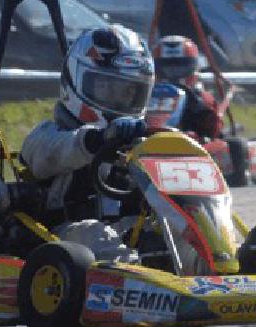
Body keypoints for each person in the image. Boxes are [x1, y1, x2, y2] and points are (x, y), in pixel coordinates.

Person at [19, 26, 155, 260]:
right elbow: (51, 155)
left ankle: (221, 271)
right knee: (95, 234)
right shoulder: (47, 136)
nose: (118, 100)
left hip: (123, 231)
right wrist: (98, 139)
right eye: (107, 88)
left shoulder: (137, 145)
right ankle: (141, 281)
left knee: (170, 229)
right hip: (60, 238)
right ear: (76, 81)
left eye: (128, 93)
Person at [153, 35, 223, 141]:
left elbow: (214, 131)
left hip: (191, 144)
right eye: (168, 68)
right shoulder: (143, 95)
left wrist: (200, 108)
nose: (174, 74)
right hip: (147, 139)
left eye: (180, 68)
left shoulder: (202, 99)